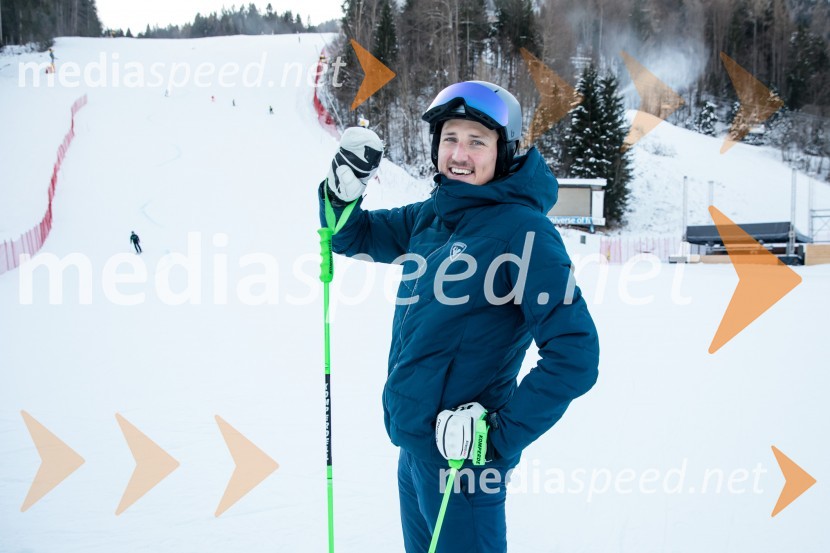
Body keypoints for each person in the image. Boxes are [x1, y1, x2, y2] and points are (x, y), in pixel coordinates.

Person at [318, 81, 599, 552]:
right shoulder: (433, 215)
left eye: (477, 141)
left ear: (502, 152)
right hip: (415, 449)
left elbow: (575, 354)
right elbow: (354, 237)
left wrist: (494, 436)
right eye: (450, 138)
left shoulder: (523, 231)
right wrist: (341, 192)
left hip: (465, 467)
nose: (460, 154)